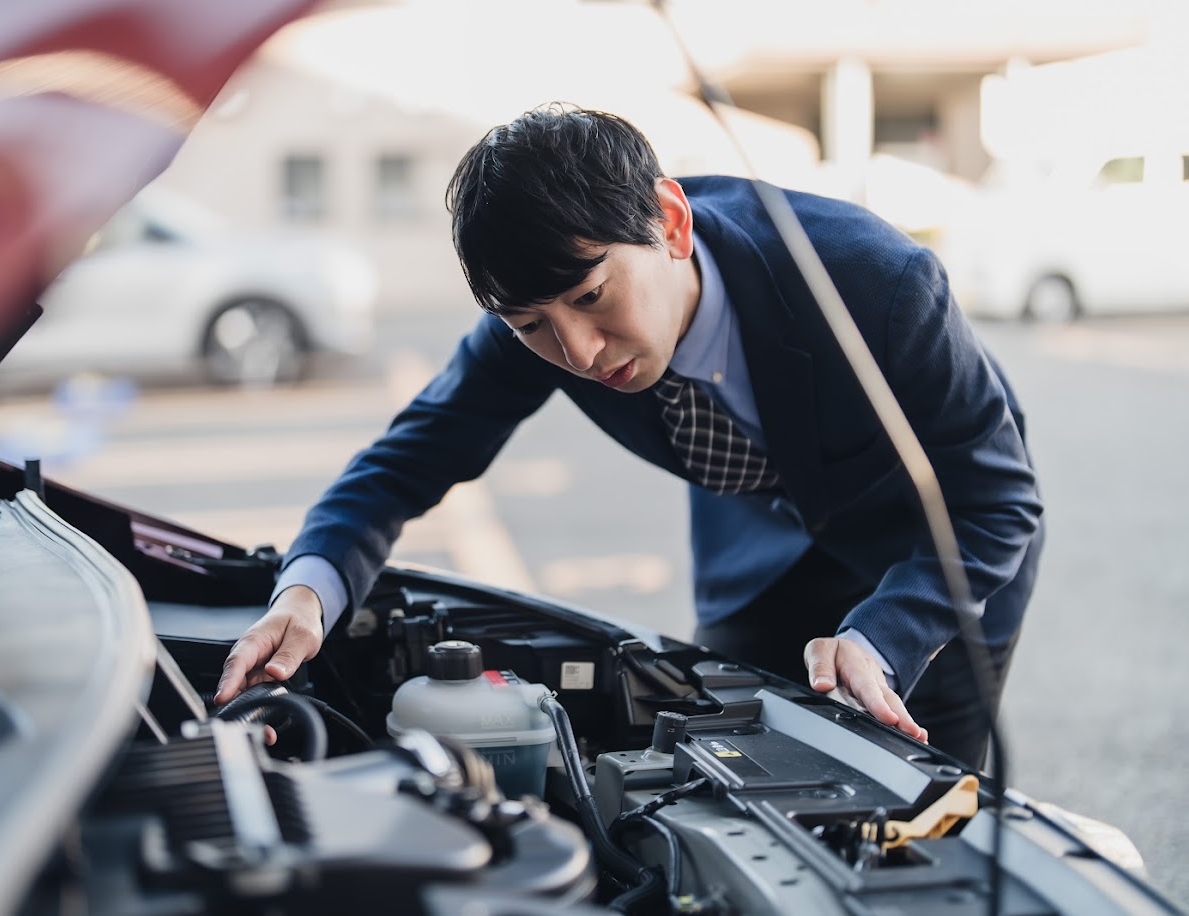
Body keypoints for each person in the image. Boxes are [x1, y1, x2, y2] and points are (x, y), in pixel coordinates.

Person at [216, 103, 1043, 768]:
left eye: (590, 297)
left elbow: (997, 499)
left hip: (936, 550)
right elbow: (400, 464)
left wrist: (886, 637)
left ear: (670, 222)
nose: (576, 352)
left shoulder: (876, 283)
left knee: (925, 794)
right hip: (757, 558)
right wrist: (309, 589)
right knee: (736, 770)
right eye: (531, 324)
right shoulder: (537, 322)